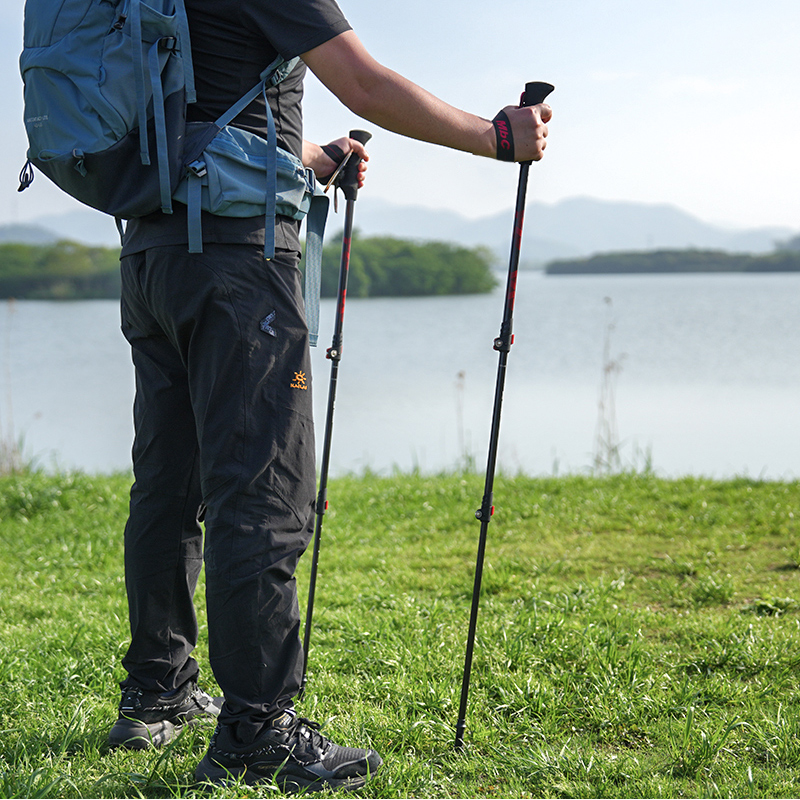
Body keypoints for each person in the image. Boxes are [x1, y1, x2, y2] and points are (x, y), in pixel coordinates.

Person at [106, 0, 551, 792]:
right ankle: (259, 730)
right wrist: (495, 137)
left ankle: (155, 694)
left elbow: (194, 107)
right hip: (238, 259)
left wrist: (312, 157)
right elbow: (366, 85)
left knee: (168, 487)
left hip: (153, 254)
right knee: (263, 492)